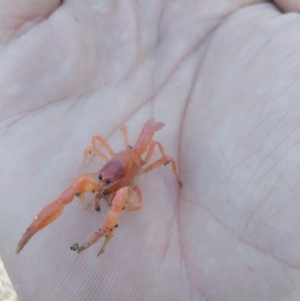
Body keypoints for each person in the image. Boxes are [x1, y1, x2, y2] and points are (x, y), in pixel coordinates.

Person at [0, 0, 300, 300]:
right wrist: (91, 176)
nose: (100, 183)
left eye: (102, 182)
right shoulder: (103, 175)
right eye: (101, 179)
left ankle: (103, 234)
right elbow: (90, 176)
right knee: (88, 184)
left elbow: (132, 198)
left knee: (128, 189)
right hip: (121, 160)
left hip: (137, 157)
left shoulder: (127, 183)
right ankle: (34, 230)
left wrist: (128, 199)